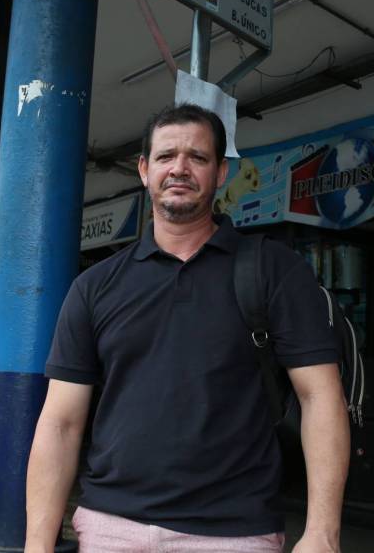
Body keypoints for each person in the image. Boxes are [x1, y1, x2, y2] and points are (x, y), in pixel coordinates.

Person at [25, 104, 350, 553]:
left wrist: (322, 532)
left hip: (235, 534)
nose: (179, 168)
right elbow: (60, 423)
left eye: (197, 157)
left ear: (220, 173)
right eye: (165, 156)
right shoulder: (94, 287)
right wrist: (37, 545)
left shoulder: (274, 270)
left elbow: (320, 396)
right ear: (144, 170)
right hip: (110, 528)